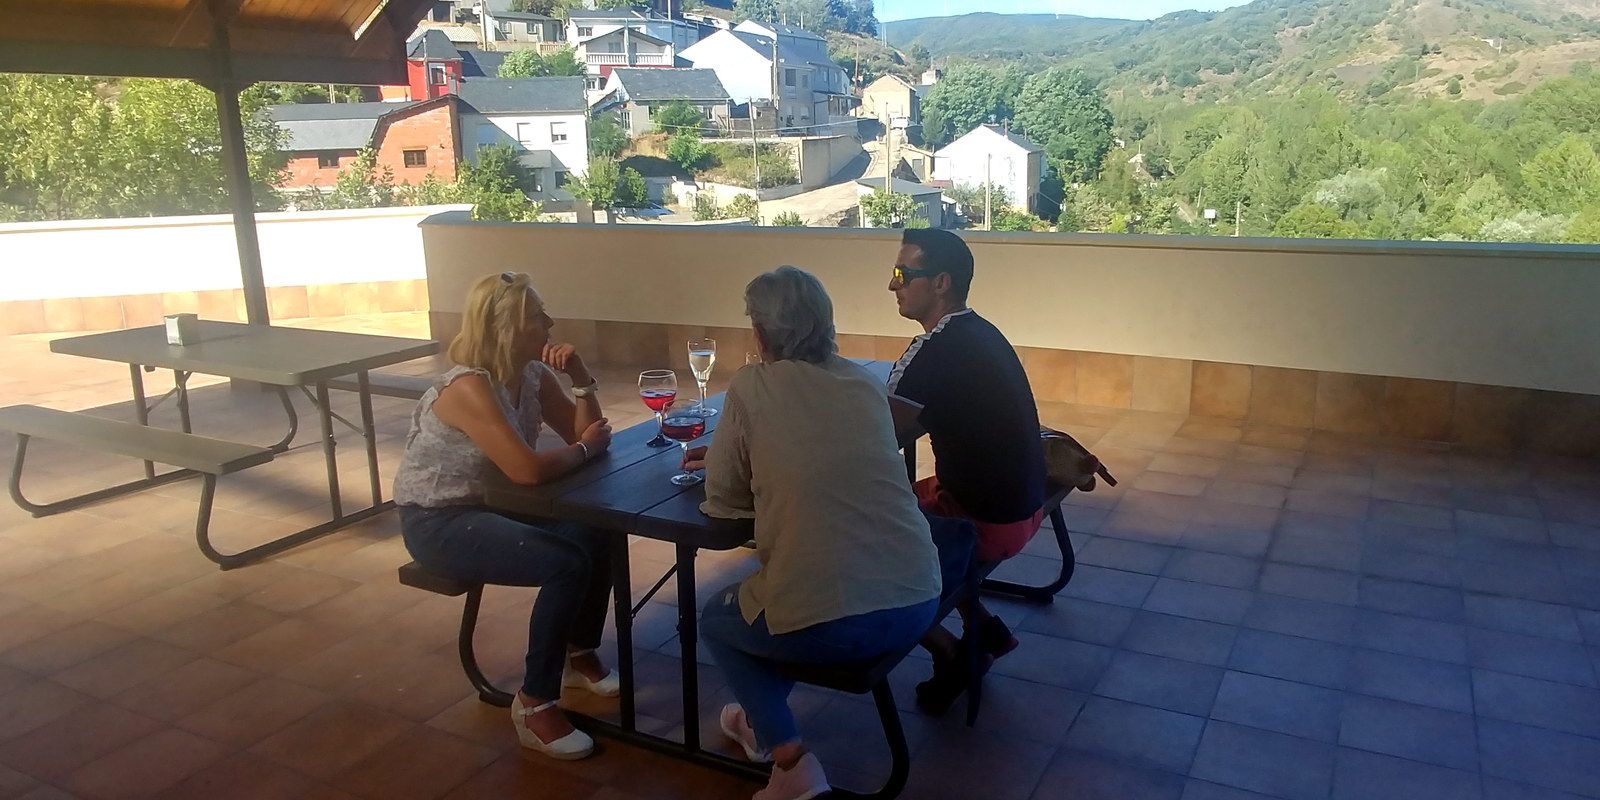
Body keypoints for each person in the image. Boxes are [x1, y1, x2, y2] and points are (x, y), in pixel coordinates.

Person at [682, 266, 941, 800]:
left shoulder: (752, 385)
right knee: (780, 602)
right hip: (919, 596)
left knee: (719, 618)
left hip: (839, 623)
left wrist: (740, 462)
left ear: (760, 333)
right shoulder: (862, 384)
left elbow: (725, 500)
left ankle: (790, 762)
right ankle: (758, 718)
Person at [392, 271, 618, 761]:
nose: (550, 323)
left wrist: (581, 381)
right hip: (437, 519)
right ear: (505, 328)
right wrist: (584, 448)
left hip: (492, 504)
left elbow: (584, 432)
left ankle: (578, 652)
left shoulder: (531, 375)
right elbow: (528, 470)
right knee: (565, 562)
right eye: (537, 316)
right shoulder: (469, 386)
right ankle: (534, 705)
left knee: (598, 528)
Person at [885, 228, 1048, 713]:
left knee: (857, 540)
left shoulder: (933, 352)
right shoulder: (981, 331)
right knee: (902, 506)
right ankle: (984, 626)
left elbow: (875, 440)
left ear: (941, 282)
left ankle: (953, 653)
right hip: (1025, 506)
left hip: (987, 522)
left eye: (902, 274)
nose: (892, 285)